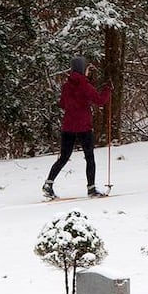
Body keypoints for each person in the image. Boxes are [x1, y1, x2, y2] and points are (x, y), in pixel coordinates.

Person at [43, 56, 112, 199]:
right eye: (87, 69)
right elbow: (99, 101)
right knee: (89, 157)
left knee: (63, 157)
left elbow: (62, 103)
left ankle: (48, 184)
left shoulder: (66, 86)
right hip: (83, 126)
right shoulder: (85, 85)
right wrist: (107, 90)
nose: (88, 72)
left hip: (68, 126)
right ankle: (91, 189)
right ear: (82, 69)